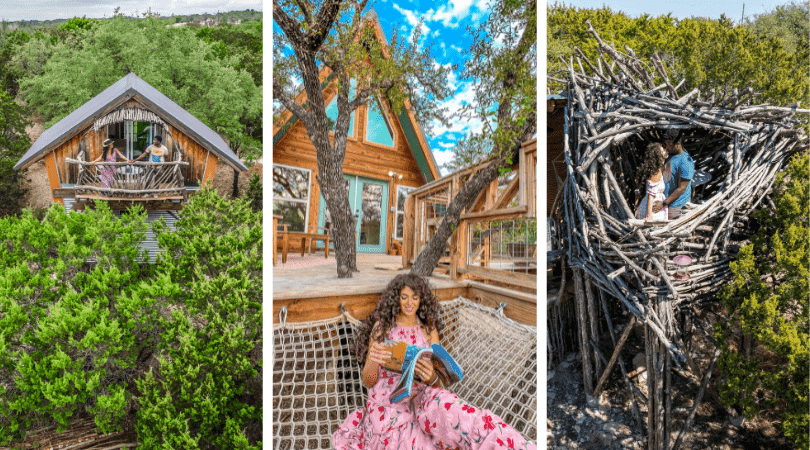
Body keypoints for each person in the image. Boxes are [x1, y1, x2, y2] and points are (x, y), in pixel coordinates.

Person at [333, 273, 536, 450]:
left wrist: (430, 376)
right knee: (412, 443)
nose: (409, 303)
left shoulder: (429, 329)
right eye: (404, 297)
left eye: (415, 297)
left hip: (424, 397)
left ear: (422, 300)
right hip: (389, 402)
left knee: (458, 414)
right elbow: (368, 381)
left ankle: (512, 444)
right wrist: (371, 358)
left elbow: (439, 383)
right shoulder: (383, 327)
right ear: (396, 299)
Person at [653, 131, 694, 220]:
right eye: (665, 144)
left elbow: (682, 188)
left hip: (676, 206)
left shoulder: (685, 162)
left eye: (669, 145)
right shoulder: (671, 155)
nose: (666, 147)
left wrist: (664, 203)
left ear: (677, 144)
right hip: (666, 202)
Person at [635, 142, 669, 221]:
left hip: (656, 206)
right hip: (654, 208)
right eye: (663, 150)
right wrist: (650, 215)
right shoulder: (656, 173)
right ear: (658, 155)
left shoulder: (659, 169)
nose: (665, 150)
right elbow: (651, 195)